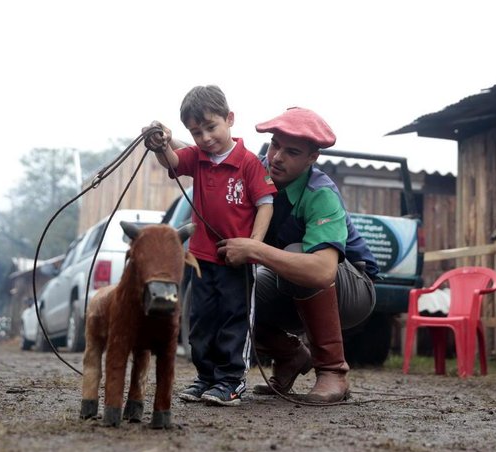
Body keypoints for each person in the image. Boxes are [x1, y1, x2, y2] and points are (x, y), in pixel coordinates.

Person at [217, 107, 378, 403]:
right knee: (228, 283)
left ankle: (333, 372)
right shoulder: (254, 171)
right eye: (275, 145)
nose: (277, 157)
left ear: (312, 158)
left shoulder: (321, 193)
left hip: (351, 289)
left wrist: (254, 248)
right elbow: (211, 156)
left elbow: (322, 271)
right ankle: (289, 355)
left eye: (292, 152)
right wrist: (166, 144)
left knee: (300, 255)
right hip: (288, 285)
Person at [143, 85, 277, 406]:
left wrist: (253, 244)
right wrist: (160, 143)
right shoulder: (198, 158)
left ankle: (231, 381)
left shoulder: (249, 163)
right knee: (201, 320)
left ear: (229, 119)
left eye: (211, 127)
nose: (204, 137)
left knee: (234, 318)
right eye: (196, 131)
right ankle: (205, 377)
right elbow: (172, 161)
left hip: (237, 261)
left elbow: (265, 203)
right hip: (201, 258)